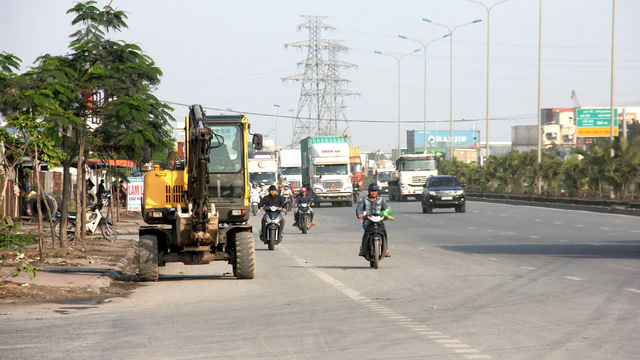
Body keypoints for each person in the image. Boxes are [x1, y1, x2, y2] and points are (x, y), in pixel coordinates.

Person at [355, 183, 391, 257]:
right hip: (368, 220)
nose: (373, 192)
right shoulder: (364, 199)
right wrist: (360, 214)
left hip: (379, 220)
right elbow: (359, 209)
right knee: (366, 232)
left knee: (384, 231)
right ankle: (362, 248)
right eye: (372, 191)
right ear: (369, 191)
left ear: (377, 191)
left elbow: (386, 209)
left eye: (375, 191)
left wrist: (388, 215)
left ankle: (385, 250)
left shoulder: (381, 200)